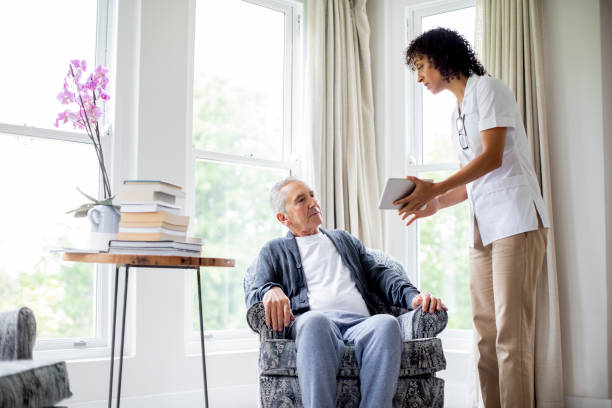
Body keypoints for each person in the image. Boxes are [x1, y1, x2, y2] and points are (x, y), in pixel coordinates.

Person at [396, 27, 550, 408]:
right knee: (485, 333)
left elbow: (492, 157)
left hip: (516, 221)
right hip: (483, 228)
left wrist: (434, 187)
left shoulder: (489, 89)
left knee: (510, 337)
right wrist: (433, 203)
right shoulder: (457, 114)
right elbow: (471, 182)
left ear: (442, 57)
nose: (419, 77)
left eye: (420, 66)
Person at [245, 176, 446, 408]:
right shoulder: (274, 250)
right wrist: (270, 290)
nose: (313, 202)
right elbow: (255, 292)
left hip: (360, 324)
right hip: (315, 324)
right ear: (283, 218)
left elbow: (380, 274)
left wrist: (413, 296)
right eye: (301, 200)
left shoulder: (343, 239)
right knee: (315, 322)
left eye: (312, 195)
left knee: (386, 324)